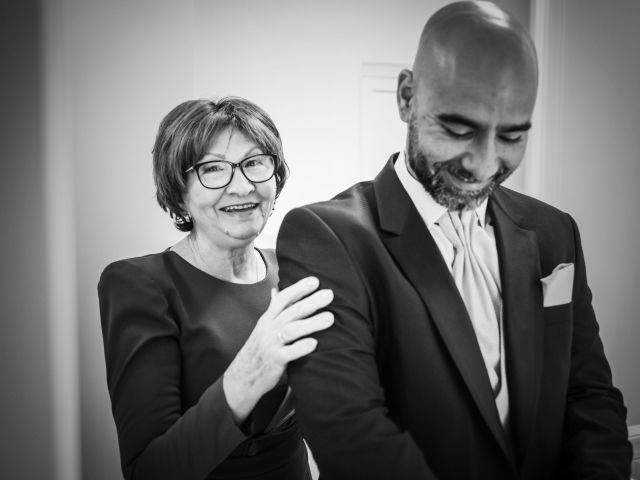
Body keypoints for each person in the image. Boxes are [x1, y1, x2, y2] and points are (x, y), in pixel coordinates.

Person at [276, 2, 632, 479]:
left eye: (511, 136)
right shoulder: (326, 238)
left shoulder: (554, 232)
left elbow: (588, 395)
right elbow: (354, 437)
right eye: (458, 130)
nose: (484, 165)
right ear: (406, 97)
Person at [98, 96, 334, 480]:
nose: (241, 187)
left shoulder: (292, 268)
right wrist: (249, 372)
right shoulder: (138, 284)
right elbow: (149, 471)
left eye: (255, 162)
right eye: (212, 169)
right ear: (178, 194)